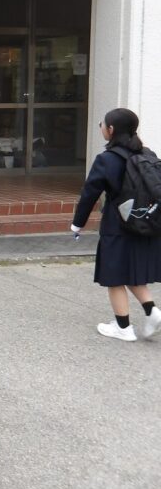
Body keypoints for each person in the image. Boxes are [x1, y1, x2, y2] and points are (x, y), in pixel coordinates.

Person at [71, 108, 161, 341]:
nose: (101, 127)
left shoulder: (107, 159)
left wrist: (77, 224)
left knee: (114, 276)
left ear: (110, 130)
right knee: (131, 270)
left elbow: (90, 193)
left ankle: (123, 328)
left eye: (102, 124)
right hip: (144, 221)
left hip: (117, 225)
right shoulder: (147, 154)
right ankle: (152, 311)